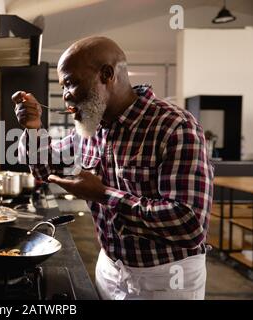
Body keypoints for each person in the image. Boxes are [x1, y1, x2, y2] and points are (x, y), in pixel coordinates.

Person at [12, 36, 213, 300]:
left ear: (106, 74)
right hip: (109, 270)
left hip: (166, 279)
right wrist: (34, 128)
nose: (65, 97)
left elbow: (189, 225)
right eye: (62, 87)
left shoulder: (174, 126)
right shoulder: (90, 129)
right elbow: (43, 169)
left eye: (71, 83)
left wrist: (103, 195)